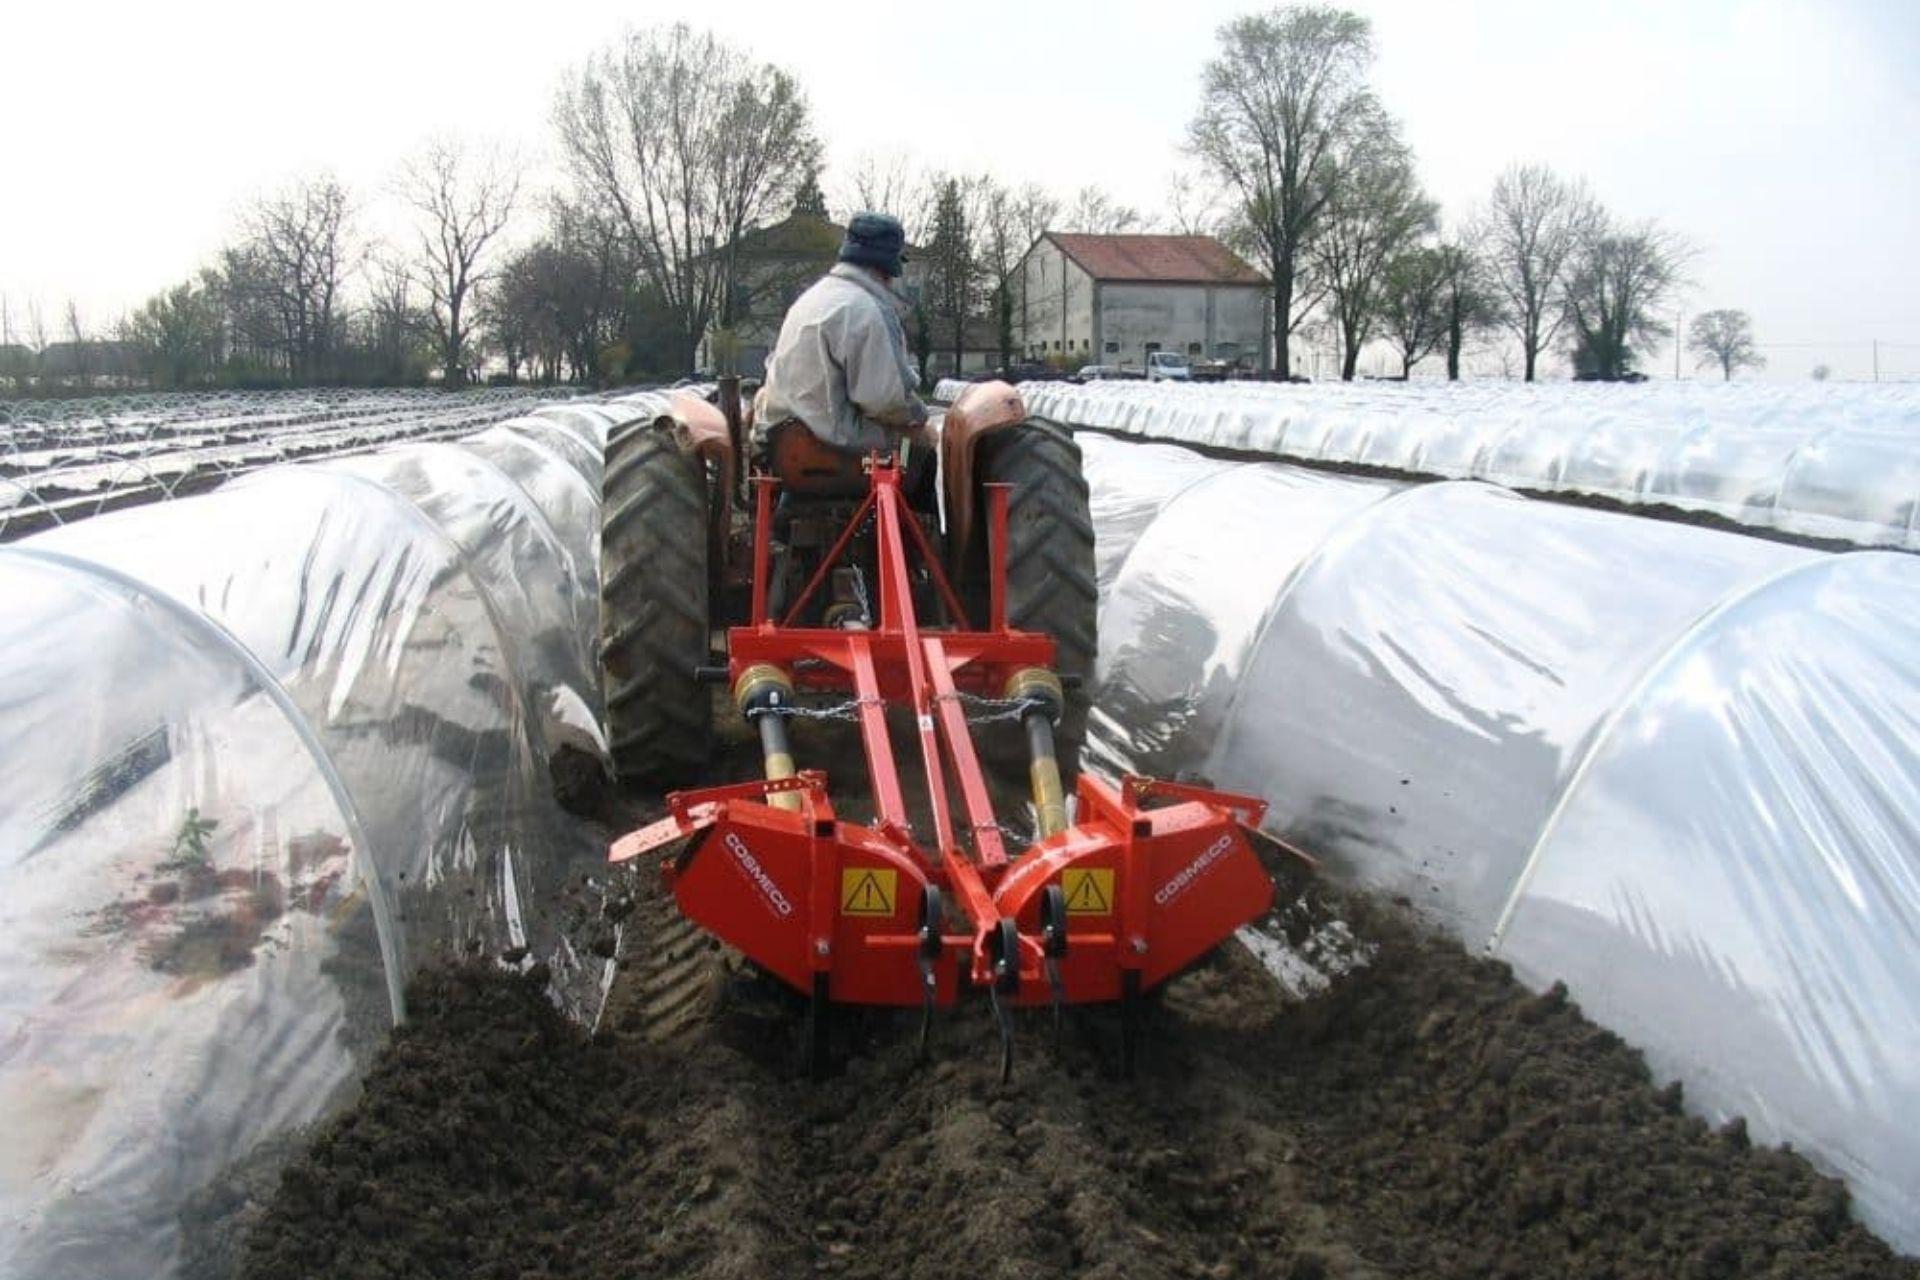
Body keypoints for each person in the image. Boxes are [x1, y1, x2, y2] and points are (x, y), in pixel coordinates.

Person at [758, 212, 934, 497]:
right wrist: (918, 415)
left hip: (786, 450)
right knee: (922, 445)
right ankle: (917, 533)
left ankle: (787, 513)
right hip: (841, 447)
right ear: (887, 269)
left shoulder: (807, 301)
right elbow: (885, 401)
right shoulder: (867, 311)